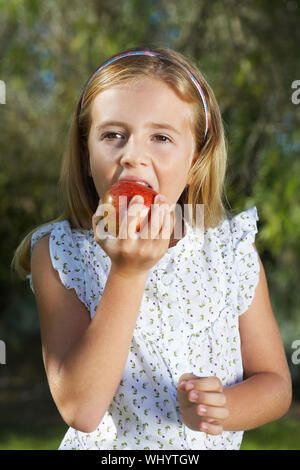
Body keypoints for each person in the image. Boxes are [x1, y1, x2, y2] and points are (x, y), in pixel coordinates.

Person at [11, 47, 292, 450]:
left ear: (196, 158)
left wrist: (221, 408)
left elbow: (276, 385)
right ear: (85, 152)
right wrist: (127, 272)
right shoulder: (61, 254)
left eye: (160, 137)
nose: (133, 156)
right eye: (112, 135)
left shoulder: (230, 251)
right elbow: (82, 409)